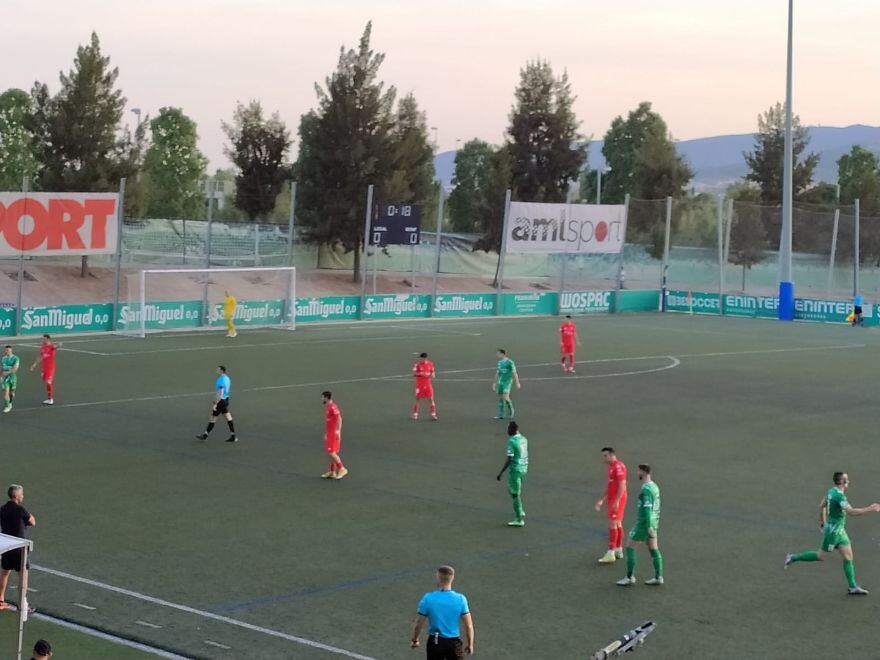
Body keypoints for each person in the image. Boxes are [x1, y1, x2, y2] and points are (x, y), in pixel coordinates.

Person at [784, 472, 880, 595]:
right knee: (821, 556)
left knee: (848, 557)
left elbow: (822, 505)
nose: (849, 481)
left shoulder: (831, 491)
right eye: (846, 479)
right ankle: (792, 558)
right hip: (833, 534)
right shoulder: (839, 497)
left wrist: (822, 522)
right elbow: (851, 512)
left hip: (840, 532)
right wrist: (870, 508)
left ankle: (852, 587)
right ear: (842, 482)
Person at [410, 566, 474, 659]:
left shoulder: (428, 598)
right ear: (452, 578)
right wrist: (470, 644)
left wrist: (415, 639)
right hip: (453, 643)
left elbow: (418, 624)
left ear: (438, 578)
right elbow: (469, 626)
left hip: (435, 642)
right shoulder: (461, 599)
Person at [617, 464, 663, 586]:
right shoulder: (654, 486)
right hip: (654, 522)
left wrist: (648, 527)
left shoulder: (646, 490)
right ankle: (659, 576)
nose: (637, 473)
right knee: (653, 549)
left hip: (644, 524)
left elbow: (647, 508)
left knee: (630, 547)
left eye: (638, 471)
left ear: (643, 472)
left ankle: (629, 577)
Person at [0, 485, 36, 611]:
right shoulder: (21, 509)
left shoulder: (2, 509)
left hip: (7, 545)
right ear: (16, 496)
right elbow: (32, 522)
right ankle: (23, 603)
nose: (23, 496)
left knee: (5, 572)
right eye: (21, 494)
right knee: (23, 575)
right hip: (19, 546)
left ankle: (0, 599)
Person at [595, 447, 627, 564]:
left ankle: (611, 553)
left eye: (605, 455)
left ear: (612, 455)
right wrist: (601, 500)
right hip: (614, 498)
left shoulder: (618, 467)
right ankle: (618, 550)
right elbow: (610, 486)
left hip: (617, 499)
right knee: (617, 523)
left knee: (613, 524)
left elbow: (622, 486)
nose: (603, 458)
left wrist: (616, 501)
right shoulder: (612, 467)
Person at [496, 421, 528, 527]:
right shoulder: (524, 439)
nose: (507, 431)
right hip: (524, 467)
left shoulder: (512, 441)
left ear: (512, 430)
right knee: (514, 490)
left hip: (515, 469)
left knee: (514, 494)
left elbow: (510, 458)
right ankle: (521, 510)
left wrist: (501, 472)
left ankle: (519, 519)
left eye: (508, 428)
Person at [195, 366, 237, 443]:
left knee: (213, 417)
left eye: (218, 369)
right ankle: (233, 435)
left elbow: (220, 393)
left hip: (221, 401)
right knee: (228, 416)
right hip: (226, 399)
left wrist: (215, 403)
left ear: (221, 371)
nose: (216, 370)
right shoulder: (227, 378)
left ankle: (205, 435)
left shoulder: (221, 380)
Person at [322, 391, 347, 480]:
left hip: (333, 433)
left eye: (323, 397)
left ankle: (342, 468)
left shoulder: (333, 406)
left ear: (326, 397)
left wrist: (338, 431)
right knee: (332, 453)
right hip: (330, 433)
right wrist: (327, 433)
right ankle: (332, 472)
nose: (322, 399)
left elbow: (339, 418)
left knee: (331, 452)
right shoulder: (328, 406)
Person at [29, 334, 60, 405]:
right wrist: (34, 364)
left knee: (49, 382)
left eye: (44, 339)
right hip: (44, 368)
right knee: (46, 381)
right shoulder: (42, 347)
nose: (43, 340)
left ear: (48, 339)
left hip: (50, 368)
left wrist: (59, 345)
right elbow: (40, 357)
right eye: (43, 339)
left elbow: (56, 347)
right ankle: (49, 398)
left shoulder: (51, 346)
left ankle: (51, 399)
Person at [492, 349, 520, 420]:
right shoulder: (499, 362)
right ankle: (501, 414)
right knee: (501, 398)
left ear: (502, 354)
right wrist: (494, 383)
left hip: (507, 382)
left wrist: (517, 382)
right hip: (500, 382)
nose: (497, 355)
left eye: (498, 354)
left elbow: (514, 373)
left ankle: (511, 410)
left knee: (505, 397)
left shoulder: (510, 362)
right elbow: (497, 373)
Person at [412, 353, 438, 421]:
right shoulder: (417, 365)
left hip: (428, 384)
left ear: (425, 358)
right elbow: (414, 374)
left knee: (431, 399)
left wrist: (432, 375)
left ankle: (433, 414)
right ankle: (415, 414)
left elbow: (433, 373)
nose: (420, 359)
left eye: (421, 358)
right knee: (417, 399)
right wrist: (421, 373)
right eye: (420, 358)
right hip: (419, 385)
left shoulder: (430, 364)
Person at [2, 345, 20, 413]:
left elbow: (15, 369)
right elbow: (2, 368)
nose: (6, 351)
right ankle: (8, 406)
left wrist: (7, 373)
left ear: (11, 351)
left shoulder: (16, 358)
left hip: (13, 377)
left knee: (11, 393)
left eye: (7, 350)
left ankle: (10, 402)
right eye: (5, 350)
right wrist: (1, 376)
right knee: (6, 393)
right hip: (5, 378)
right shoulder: (3, 358)